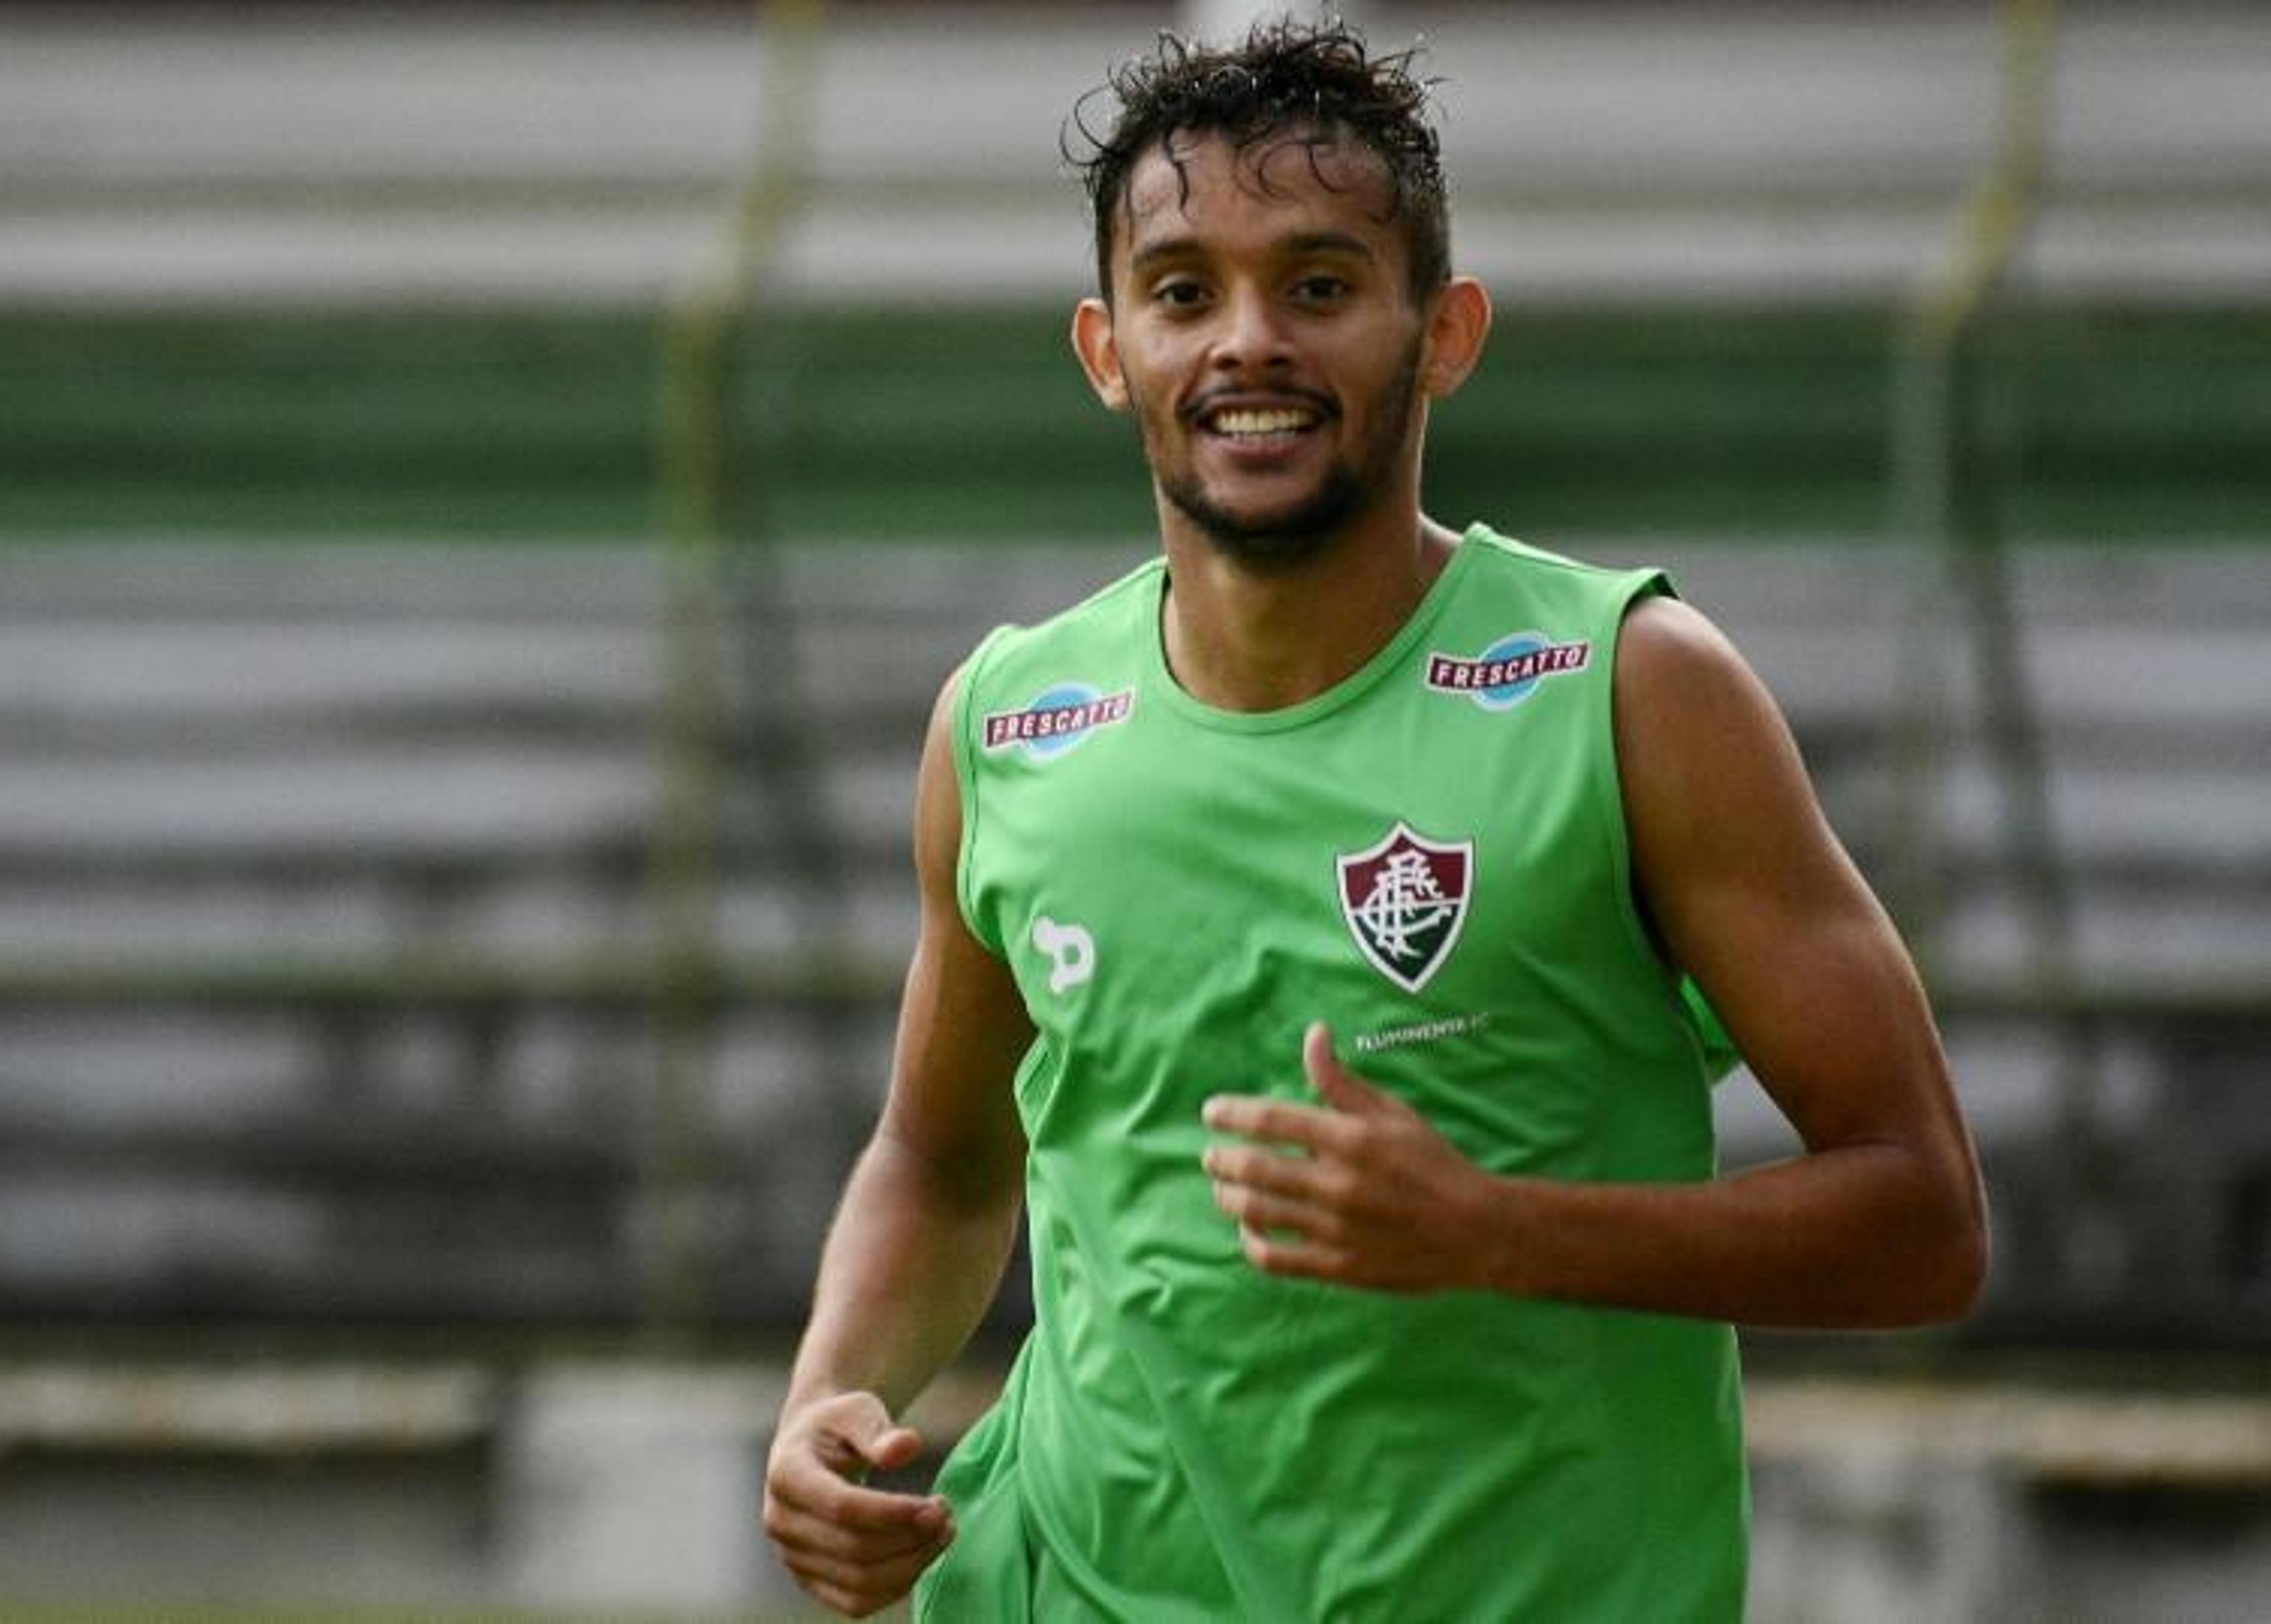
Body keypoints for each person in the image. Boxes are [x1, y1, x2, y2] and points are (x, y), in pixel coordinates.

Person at [763, 18, 1988, 1621]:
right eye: (1185, 290)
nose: (1247, 342)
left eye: (1321, 286)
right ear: (1106, 346)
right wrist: (824, 1397)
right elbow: (939, 1154)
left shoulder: (1626, 689)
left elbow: (1921, 1217)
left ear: (1446, 331)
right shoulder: (1007, 723)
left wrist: (1499, 1228)